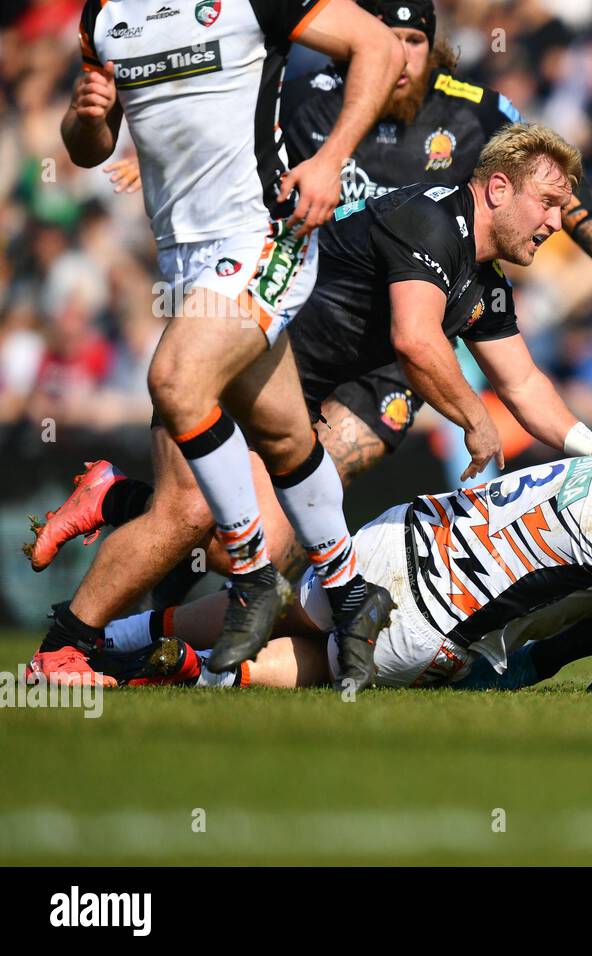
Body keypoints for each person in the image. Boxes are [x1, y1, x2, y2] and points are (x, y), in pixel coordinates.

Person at [28, 0, 592, 606]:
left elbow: (546, 189)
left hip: (391, 361)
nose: (399, 55)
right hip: (304, 329)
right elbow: (225, 122)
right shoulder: (313, 98)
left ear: (433, 49)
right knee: (231, 534)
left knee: (271, 540)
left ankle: (157, 623)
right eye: (385, 39)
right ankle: (142, 592)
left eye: (414, 41)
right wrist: (161, 151)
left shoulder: (477, 119)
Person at [28, 123, 592, 685]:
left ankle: (111, 501)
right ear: (497, 189)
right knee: (189, 516)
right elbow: (414, 339)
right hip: (228, 345)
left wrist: (590, 446)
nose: (555, 222)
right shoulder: (432, 219)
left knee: (248, 552)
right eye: (547, 202)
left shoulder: (484, 281)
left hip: (280, 391)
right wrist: (473, 418)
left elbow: (523, 384)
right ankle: (62, 648)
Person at [52, 0, 406, 687]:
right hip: (185, 264)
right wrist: (88, 118)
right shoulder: (103, 16)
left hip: (261, 239)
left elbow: (380, 48)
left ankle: (252, 577)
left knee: (177, 382)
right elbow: (85, 146)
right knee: (283, 439)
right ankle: (351, 591)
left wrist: (331, 159)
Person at [39, 448, 592, 694]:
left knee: (274, 596)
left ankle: (104, 641)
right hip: (432, 615)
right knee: (302, 664)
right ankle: (177, 669)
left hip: (396, 535)